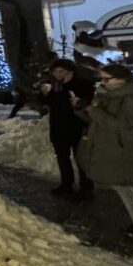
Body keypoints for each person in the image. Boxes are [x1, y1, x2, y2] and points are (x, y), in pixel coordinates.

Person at [76, 64, 133, 237]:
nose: (102, 83)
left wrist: (92, 110)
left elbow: (121, 124)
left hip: (127, 150)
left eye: (106, 79)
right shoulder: (106, 95)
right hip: (111, 149)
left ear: (122, 79)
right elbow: (96, 120)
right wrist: (81, 108)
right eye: (101, 78)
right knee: (123, 188)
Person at [39, 59, 95, 199]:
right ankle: (66, 184)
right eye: (55, 71)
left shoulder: (82, 85)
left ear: (70, 71)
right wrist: (44, 93)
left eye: (61, 71)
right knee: (62, 157)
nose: (58, 74)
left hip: (77, 126)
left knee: (80, 158)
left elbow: (78, 103)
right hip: (58, 127)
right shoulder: (54, 85)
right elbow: (46, 103)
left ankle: (86, 189)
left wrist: (63, 90)